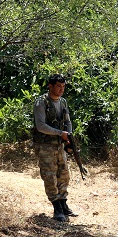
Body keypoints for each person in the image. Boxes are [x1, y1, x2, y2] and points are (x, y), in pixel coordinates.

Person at [33, 73, 77, 222]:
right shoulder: (41, 102)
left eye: (63, 87)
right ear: (50, 86)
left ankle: (64, 204)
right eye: (58, 86)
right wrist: (61, 133)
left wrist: (69, 136)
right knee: (50, 176)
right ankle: (56, 208)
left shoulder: (63, 102)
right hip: (45, 145)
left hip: (59, 145)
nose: (61, 89)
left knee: (64, 174)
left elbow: (68, 121)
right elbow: (41, 126)